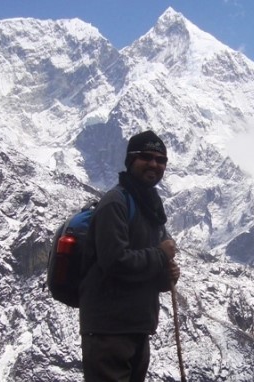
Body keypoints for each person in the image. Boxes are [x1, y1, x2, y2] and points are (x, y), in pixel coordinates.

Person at [79, 130, 181, 381]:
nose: (154, 164)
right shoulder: (116, 203)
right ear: (130, 160)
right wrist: (159, 256)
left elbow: (143, 270)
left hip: (136, 328)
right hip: (109, 331)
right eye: (146, 157)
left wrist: (165, 276)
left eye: (161, 160)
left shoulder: (149, 206)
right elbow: (115, 262)